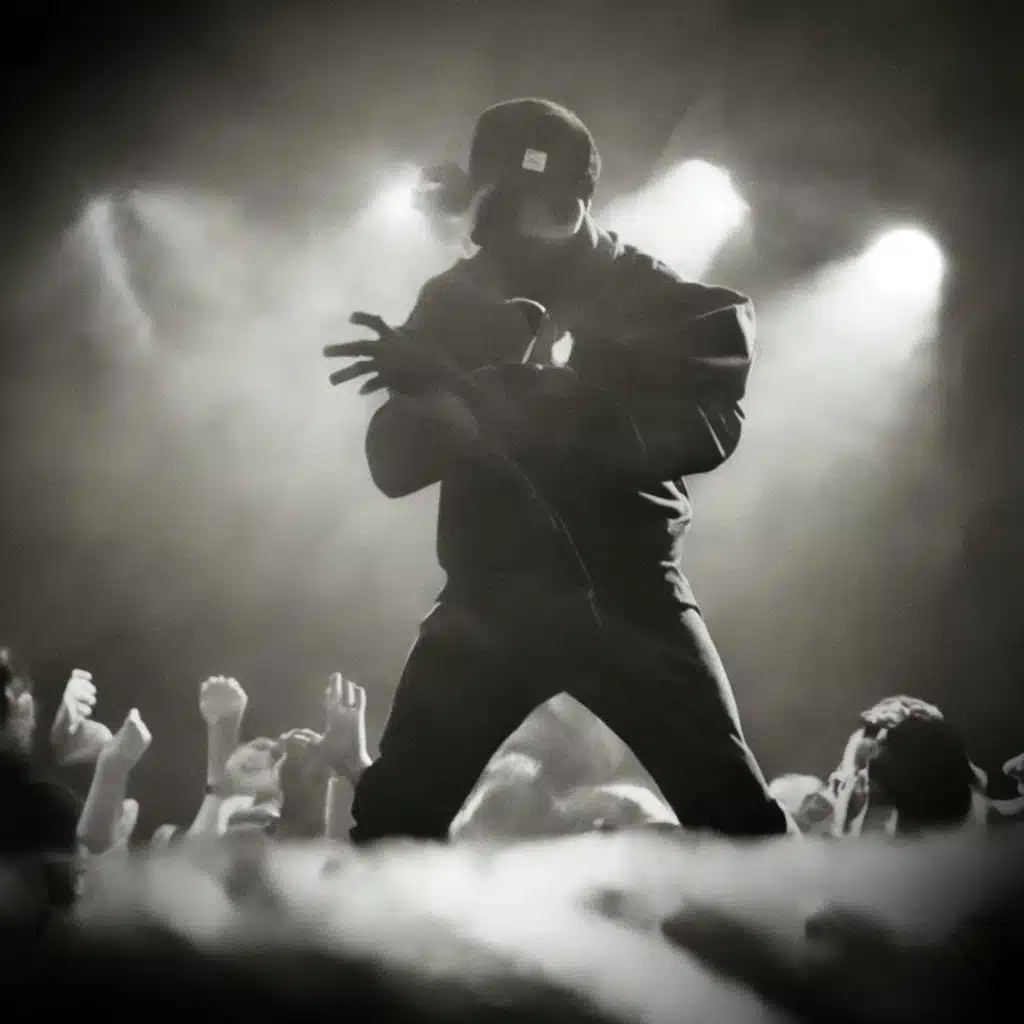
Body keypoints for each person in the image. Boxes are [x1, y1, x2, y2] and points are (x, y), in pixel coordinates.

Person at [325, 98, 790, 842]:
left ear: (573, 198)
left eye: (516, 202)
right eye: (488, 202)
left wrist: (482, 385)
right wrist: (437, 400)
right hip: (489, 594)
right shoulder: (456, 296)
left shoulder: (660, 303)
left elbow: (689, 434)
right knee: (391, 820)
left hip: (628, 595)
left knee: (737, 819)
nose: (492, 226)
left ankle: (798, 920)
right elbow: (393, 464)